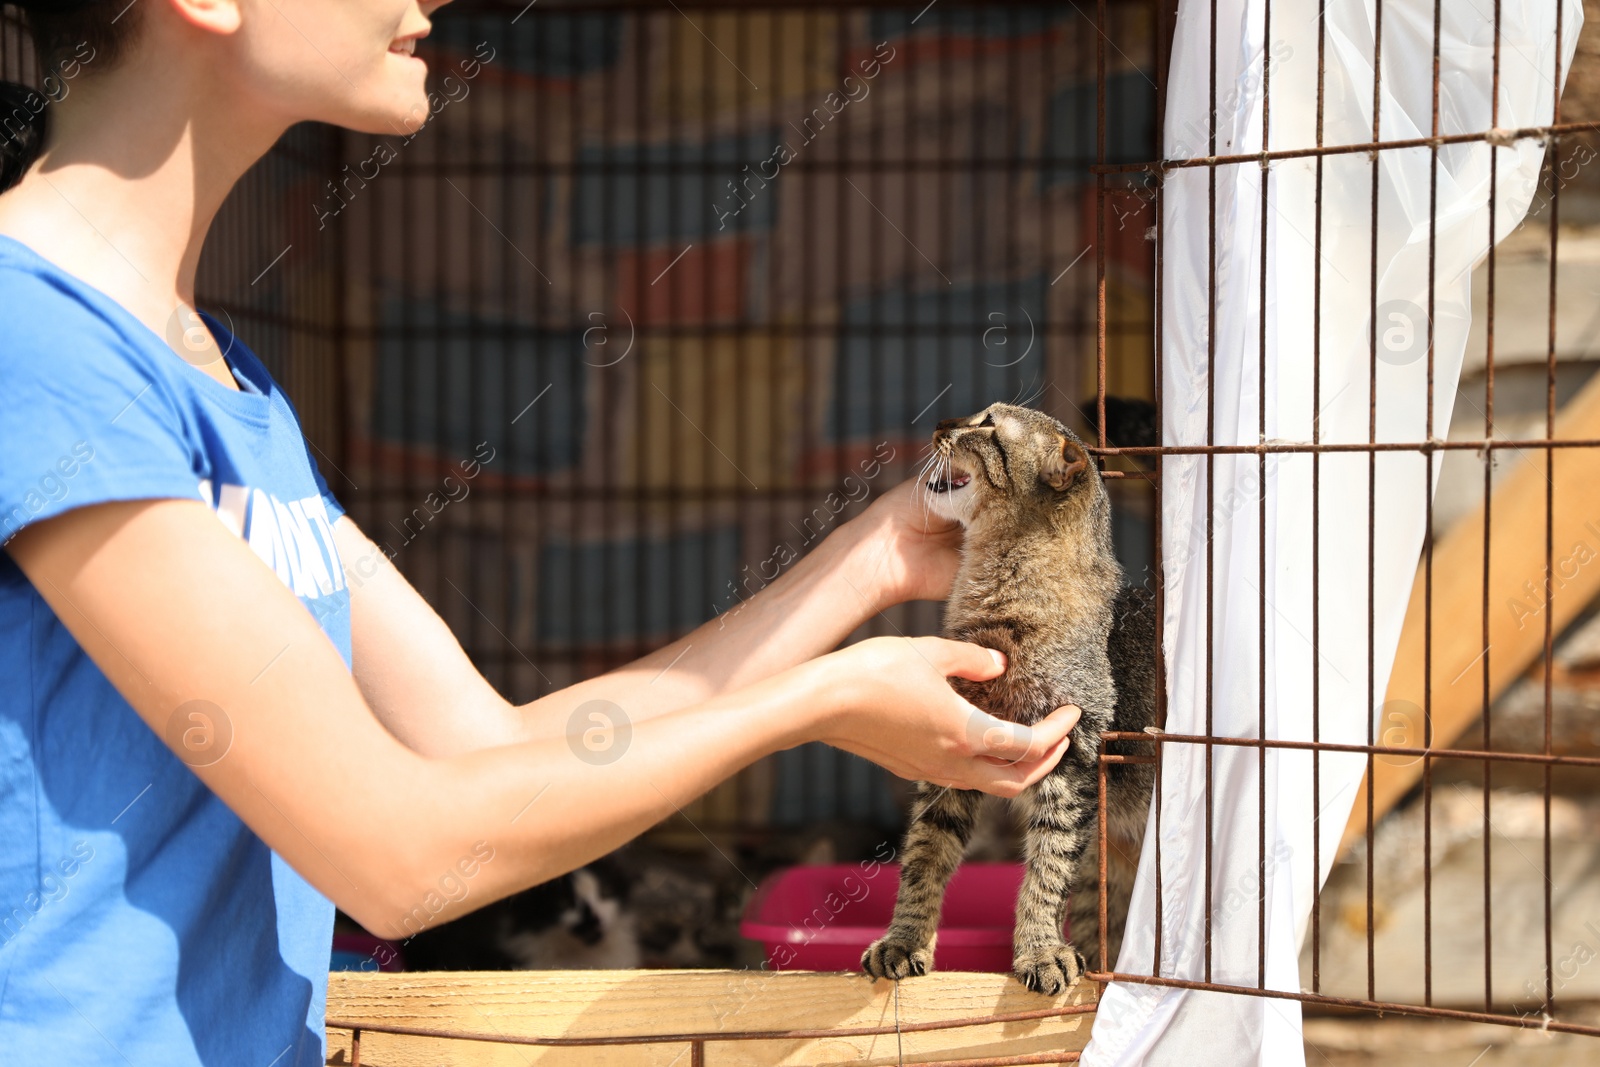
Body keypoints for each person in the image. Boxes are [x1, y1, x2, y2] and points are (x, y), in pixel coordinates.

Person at [0, 1, 1083, 1063]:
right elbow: (398, 852)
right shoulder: (37, 347)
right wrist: (819, 700)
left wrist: (875, 559)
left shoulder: (221, 378)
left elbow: (492, 748)